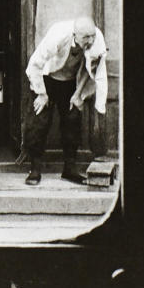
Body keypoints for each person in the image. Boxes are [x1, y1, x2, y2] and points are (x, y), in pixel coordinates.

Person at [23, 16, 108, 185]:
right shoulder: (58, 35)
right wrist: (41, 93)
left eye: (92, 36)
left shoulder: (95, 39)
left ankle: (70, 169)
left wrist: (77, 94)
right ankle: (35, 169)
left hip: (70, 82)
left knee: (73, 121)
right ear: (75, 34)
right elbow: (35, 64)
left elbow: (89, 69)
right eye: (86, 37)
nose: (90, 40)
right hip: (47, 79)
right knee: (39, 122)